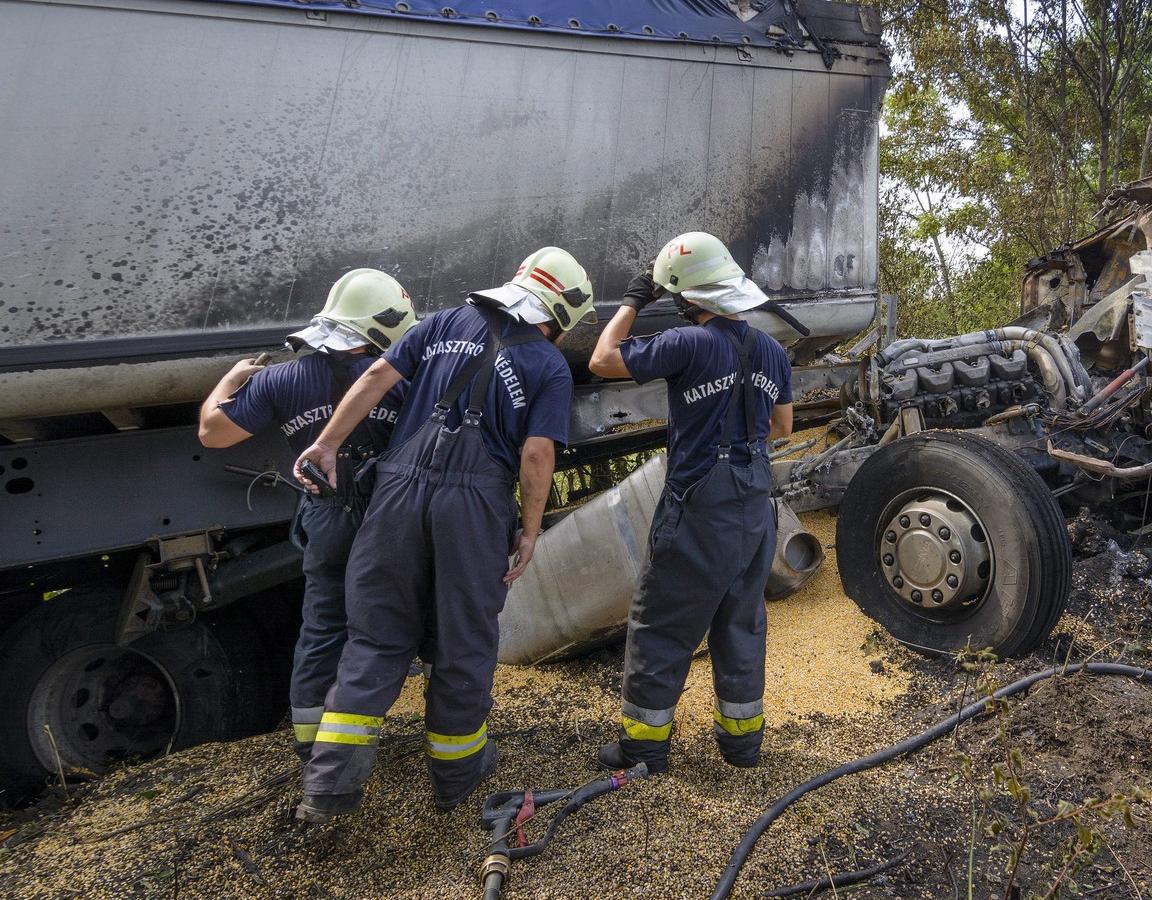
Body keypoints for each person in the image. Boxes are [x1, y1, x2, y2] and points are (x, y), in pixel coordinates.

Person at [291, 247, 591, 821]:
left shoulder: (442, 322)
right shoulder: (548, 366)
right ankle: (457, 776)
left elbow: (378, 376)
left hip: (395, 498)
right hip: (472, 509)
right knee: (462, 642)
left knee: (374, 640)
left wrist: (326, 444)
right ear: (562, 313)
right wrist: (529, 532)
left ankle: (328, 788)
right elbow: (536, 453)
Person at [587, 231, 795, 774]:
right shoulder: (772, 350)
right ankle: (742, 744)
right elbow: (781, 425)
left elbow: (603, 359)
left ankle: (644, 748)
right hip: (754, 500)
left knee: (661, 622)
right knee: (741, 621)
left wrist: (634, 299)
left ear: (684, 297)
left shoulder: (690, 343)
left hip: (701, 502)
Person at [196, 268, 416, 762]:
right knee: (390, 620)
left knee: (323, 624)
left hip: (325, 516)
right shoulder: (398, 379)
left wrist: (228, 382)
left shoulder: (281, 379)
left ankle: (313, 745)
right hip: (388, 519)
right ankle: (371, 731)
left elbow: (213, 433)